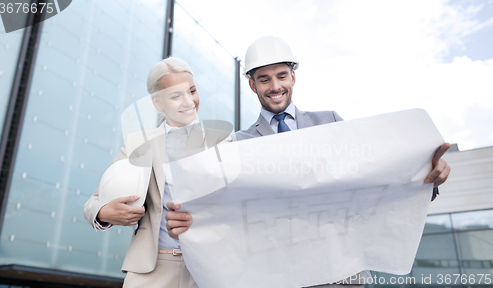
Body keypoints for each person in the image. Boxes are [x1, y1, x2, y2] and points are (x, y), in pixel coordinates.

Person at [165, 36, 451, 288]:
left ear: (293, 77)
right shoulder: (237, 145)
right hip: (276, 277)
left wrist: (426, 177)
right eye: (264, 79)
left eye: (282, 76)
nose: (275, 86)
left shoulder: (331, 123)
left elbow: (372, 179)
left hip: (340, 274)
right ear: (252, 85)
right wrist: (190, 221)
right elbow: (224, 210)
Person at [83, 57, 231, 288]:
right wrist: (104, 212)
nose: (188, 101)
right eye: (176, 96)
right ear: (157, 103)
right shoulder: (137, 143)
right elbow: (93, 202)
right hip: (151, 269)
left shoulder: (222, 141)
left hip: (208, 269)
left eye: (191, 91)